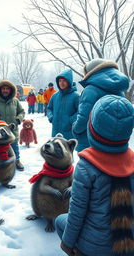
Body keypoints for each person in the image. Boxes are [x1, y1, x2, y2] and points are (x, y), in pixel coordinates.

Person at [55, 95, 134, 256]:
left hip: (95, 248)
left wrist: (67, 244)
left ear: (92, 128)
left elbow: (77, 213)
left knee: (59, 221)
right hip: (128, 243)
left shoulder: (86, 167)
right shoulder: (131, 161)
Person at [72, 58, 129, 152]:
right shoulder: (119, 91)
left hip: (90, 142)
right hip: (115, 142)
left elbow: (83, 117)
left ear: (90, 72)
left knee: (88, 166)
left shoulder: (90, 90)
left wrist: (75, 129)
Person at [0, 80, 25, 171]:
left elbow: (22, 111)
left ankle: (17, 160)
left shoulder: (15, 101)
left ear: (11, 90)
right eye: (3, 88)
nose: (5, 90)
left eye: (7, 89)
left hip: (12, 130)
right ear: (0, 90)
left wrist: (19, 118)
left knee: (14, 146)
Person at [47, 69, 79, 140]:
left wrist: (71, 120)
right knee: (55, 150)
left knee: (67, 150)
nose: (61, 83)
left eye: (64, 81)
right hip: (55, 131)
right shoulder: (54, 96)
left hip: (69, 132)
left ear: (69, 82)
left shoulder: (76, 96)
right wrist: (51, 117)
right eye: (60, 81)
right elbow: (49, 108)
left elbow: (80, 112)